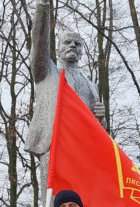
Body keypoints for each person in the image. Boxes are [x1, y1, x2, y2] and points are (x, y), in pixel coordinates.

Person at [26, 0, 105, 186]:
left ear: (82, 51)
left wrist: (101, 118)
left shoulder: (92, 86)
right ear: (58, 48)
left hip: (83, 150)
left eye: (77, 44)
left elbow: (98, 130)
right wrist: (44, 8)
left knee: (81, 205)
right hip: (55, 147)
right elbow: (39, 45)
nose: (73, 46)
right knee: (55, 205)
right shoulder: (46, 72)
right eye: (67, 42)